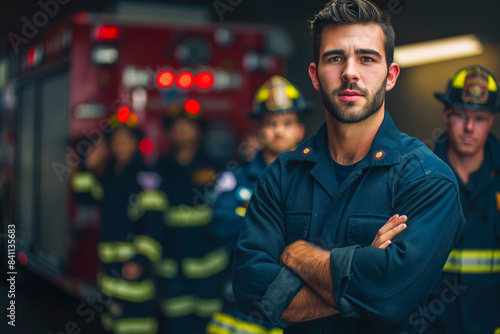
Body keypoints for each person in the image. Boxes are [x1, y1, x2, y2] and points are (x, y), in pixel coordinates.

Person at [232, 0, 466, 333]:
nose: (350, 72)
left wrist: (298, 254)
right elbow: (252, 291)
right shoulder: (281, 177)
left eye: (367, 58)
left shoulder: (428, 181)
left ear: (390, 76)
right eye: (335, 57)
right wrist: (364, 270)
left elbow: (390, 299)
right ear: (315, 75)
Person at [206, 75, 308, 334]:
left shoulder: (315, 178)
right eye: (271, 122)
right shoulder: (234, 179)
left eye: (287, 122)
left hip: (298, 305)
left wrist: (255, 223)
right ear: (260, 130)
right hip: (239, 307)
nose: (278, 130)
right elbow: (221, 226)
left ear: (300, 130)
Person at [424, 65, 500, 334]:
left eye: (480, 118)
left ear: (491, 120)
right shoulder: (421, 176)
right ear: (446, 115)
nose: (469, 127)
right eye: (461, 116)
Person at [72, 120, 165, 334]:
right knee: (111, 323)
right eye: (115, 142)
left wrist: (140, 260)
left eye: (125, 141)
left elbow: (154, 226)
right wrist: (87, 165)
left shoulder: (147, 179)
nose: (120, 146)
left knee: (136, 326)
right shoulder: (110, 177)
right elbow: (84, 197)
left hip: (134, 271)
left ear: (136, 144)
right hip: (109, 272)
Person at [154, 111, 225, 334]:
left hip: (209, 266)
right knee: (177, 323)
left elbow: (227, 212)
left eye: (187, 126)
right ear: (169, 134)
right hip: (172, 265)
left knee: (209, 323)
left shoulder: (215, 167)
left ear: (198, 131)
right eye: (176, 127)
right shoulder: (159, 169)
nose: (181, 131)